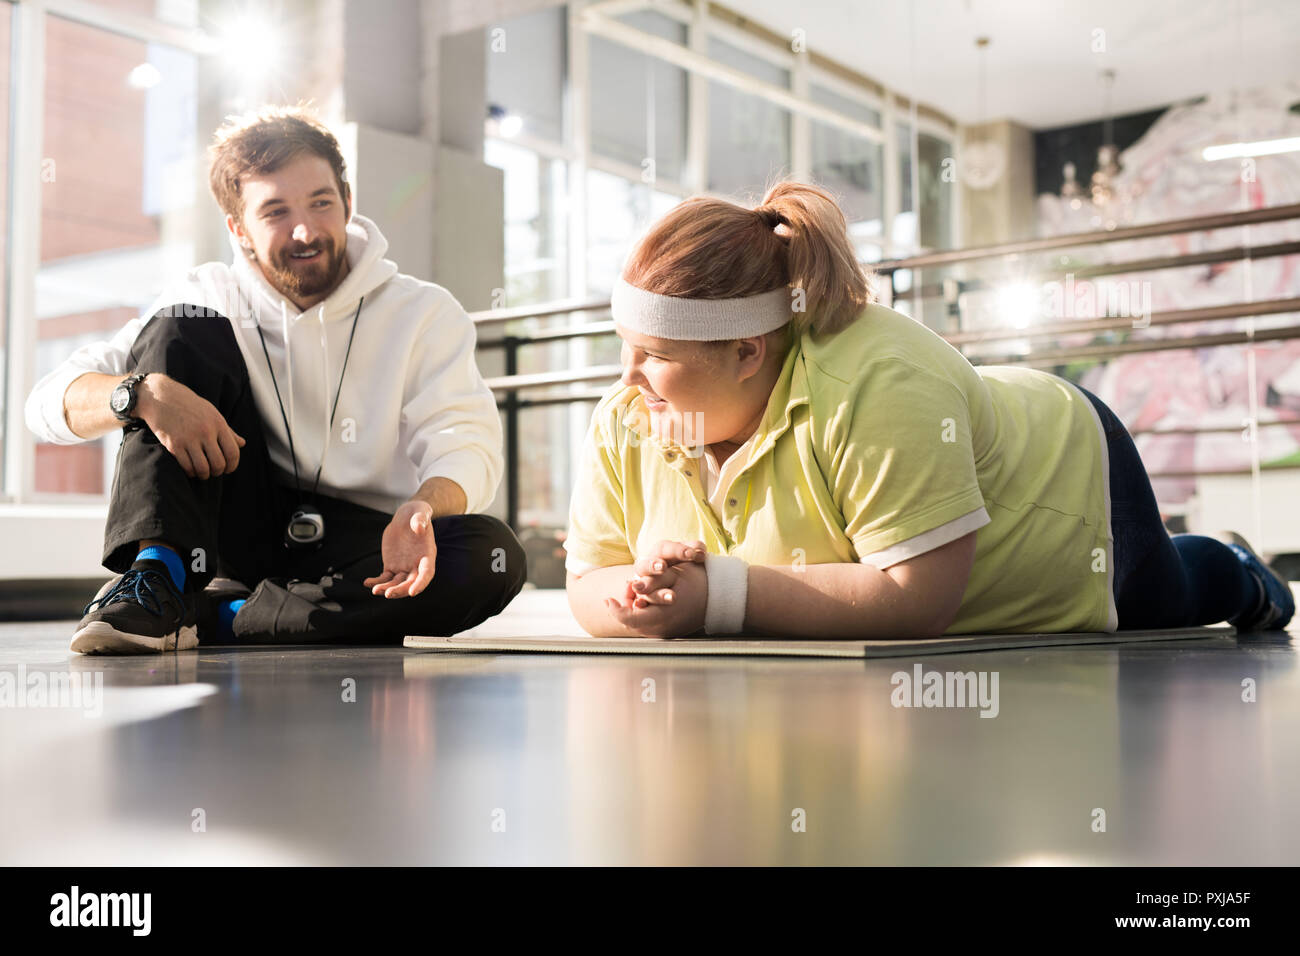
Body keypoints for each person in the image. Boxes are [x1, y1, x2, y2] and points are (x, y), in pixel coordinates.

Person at [563, 181, 1294, 640]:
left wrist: (711, 596)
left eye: (654, 354)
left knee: (1167, 596)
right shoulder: (626, 413)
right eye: (624, 345)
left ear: (749, 352)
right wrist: (637, 597)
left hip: (1068, 476)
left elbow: (913, 603)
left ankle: (1233, 566)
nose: (626, 379)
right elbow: (589, 583)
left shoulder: (882, 381)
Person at [26, 105, 526, 654]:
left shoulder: (425, 311)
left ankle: (221, 617)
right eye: (276, 212)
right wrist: (140, 395)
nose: (306, 230)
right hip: (241, 515)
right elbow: (46, 403)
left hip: (365, 543)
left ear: (348, 202)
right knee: (176, 333)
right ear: (239, 229)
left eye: (321, 202)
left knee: (490, 554)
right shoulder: (204, 295)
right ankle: (159, 576)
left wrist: (424, 506)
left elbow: (466, 440)